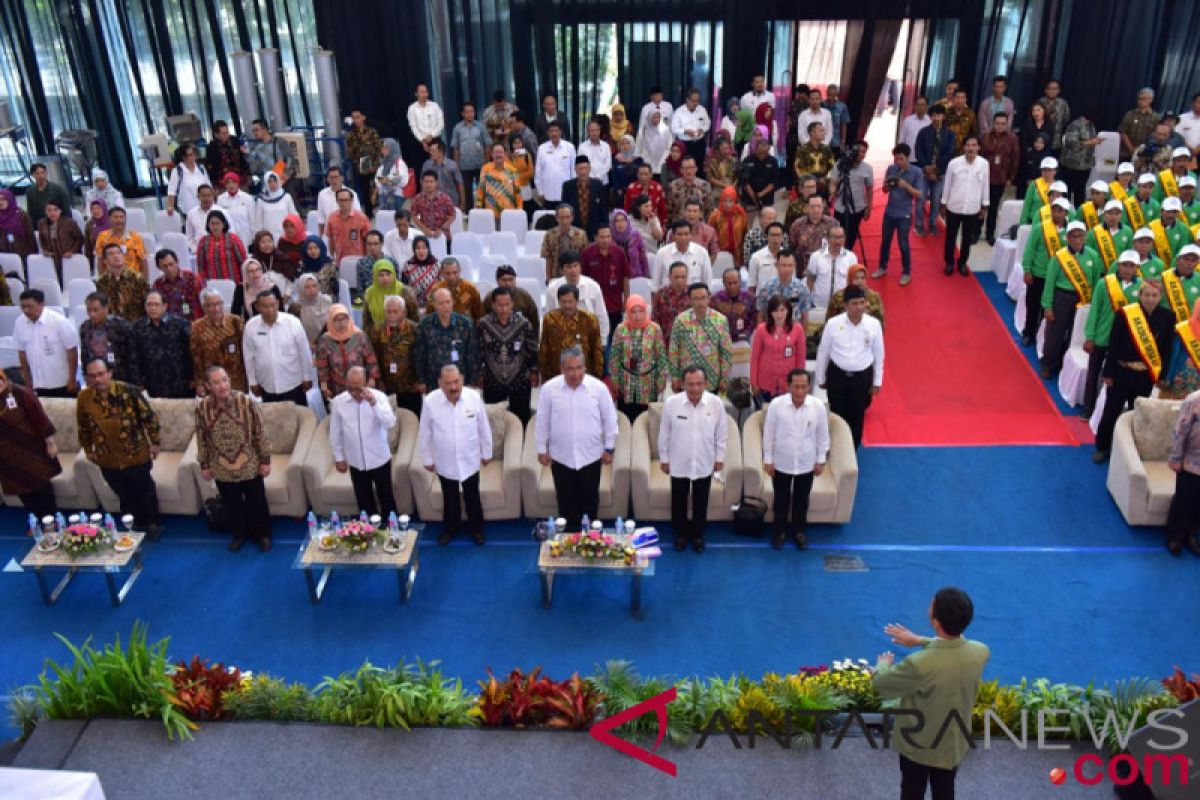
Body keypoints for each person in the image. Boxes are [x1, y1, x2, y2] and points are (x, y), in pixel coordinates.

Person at [872, 587, 990, 800]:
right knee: (945, 789)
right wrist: (920, 640)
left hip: (918, 745)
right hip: (952, 743)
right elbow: (950, 648)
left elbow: (883, 684)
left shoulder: (919, 664)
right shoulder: (980, 651)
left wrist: (881, 666)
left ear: (936, 621)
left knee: (912, 791)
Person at [77, 357, 163, 539]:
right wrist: (88, 449)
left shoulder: (129, 391)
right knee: (124, 494)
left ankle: (152, 523)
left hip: (136, 453)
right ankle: (134, 523)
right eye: (92, 376)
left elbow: (149, 417)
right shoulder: (84, 398)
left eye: (101, 374)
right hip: (107, 457)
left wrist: (155, 442)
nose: (98, 380)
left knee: (144, 490)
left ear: (109, 373)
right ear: (87, 378)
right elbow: (83, 426)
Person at [535, 347, 618, 529]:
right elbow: (542, 421)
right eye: (570, 368)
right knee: (565, 505)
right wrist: (542, 449)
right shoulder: (549, 389)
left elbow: (610, 420)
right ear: (561, 368)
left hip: (591, 457)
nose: (575, 373)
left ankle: (590, 543)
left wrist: (609, 448)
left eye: (579, 367)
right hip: (561, 458)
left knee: (590, 504)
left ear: (585, 368)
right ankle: (568, 546)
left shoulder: (599, 388)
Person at [1095, 281, 1176, 463]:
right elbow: (1113, 344)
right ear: (1139, 295)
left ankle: (1129, 451)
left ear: (1160, 297)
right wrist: (1108, 373)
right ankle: (1102, 446)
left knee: (1138, 413)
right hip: (1121, 370)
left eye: (1154, 295)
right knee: (1111, 410)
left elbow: (1166, 349)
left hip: (1145, 375)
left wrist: (1162, 375)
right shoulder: (1125, 313)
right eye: (1146, 295)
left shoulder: (1168, 316)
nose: (1150, 299)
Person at [195, 365, 272, 552]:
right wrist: (204, 464)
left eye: (225, 380)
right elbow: (201, 437)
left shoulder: (246, 402)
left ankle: (263, 535)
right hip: (221, 466)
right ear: (207, 386)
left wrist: (265, 460)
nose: (222, 386)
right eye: (216, 382)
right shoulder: (202, 408)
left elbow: (260, 432)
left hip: (249, 464)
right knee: (232, 504)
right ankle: (239, 534)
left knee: (257, 502)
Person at [658, 365, 727, 554]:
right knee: (678, 500)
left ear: (705, 384)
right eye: (690, 384)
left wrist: (719, 458)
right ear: (682, 384)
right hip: (679, 461)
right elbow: (664, 433)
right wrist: (664, 458)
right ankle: (680, 535)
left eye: (699, 384)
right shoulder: (672, 404)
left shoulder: (715, 404)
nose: (695, 388)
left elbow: (721, 433)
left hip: (704, 461)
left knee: (700, 500)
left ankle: (697, 535)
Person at [419, 363, 491, 545]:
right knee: (449, 497)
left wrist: (487, 451)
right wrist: (427, 458)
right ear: (440, 383)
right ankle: (451, 528)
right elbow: (425, 432)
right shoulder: (430, 402)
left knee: (472, 495)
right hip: (445, 460)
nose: (453, 387)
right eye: (448, 383)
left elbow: (484, 427)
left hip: (470, 458)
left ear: (462, 380)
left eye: (456, 382)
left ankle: (477, 529)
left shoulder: (474, 397)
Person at [761, 368, 829, 550]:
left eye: (804, 387)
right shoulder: (776, 405)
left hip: (806, 463)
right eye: (796, 387)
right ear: (788, 386)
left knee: (802, 500)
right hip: (781, 462)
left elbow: (823, 435)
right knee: (780, 500)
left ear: (809, 387)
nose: (800, 391)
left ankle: (799, 532)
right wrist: (768, 459)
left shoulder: (817, 407)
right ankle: (780, 532)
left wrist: (820, 460)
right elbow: (768, 434)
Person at [817, 286, 884, 448]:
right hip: (837, 376)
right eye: (854, 303)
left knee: (857, 416)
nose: (859, 307)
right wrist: (820, 377)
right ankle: (835, 449)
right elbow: (823, 351)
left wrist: (877, 382)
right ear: (846, 305)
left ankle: (852, 451)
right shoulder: (833, 324)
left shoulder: (874, 324)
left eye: (862, 303)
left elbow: (879, 353)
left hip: (861, 378)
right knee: (837, 415)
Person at [329, 365, 398, 520]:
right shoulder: (339, 402)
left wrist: (374, 404)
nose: (354, 393)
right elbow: (335, 432)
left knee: (387, 499)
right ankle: (369, 534)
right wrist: (338, 457)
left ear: (368, 383)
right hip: (356, 461)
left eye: (358, 389)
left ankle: (393, 533)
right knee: (364, 504)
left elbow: (390, 423)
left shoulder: (379, 398)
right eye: (350, 388)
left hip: (379, 458)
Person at [1083, 252, 1143, 416]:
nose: (1127, 269)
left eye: (1132, 266)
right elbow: (1094, 310)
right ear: (1118, 265)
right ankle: (1088, 406)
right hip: (1102, 336)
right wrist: (1090, 336)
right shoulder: (1104, 284)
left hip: (1124, 342)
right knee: (1094, 372)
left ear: (1137, 268)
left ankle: (1107, 410)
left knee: (1115, 376)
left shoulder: (1142, 287)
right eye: (1124, 265)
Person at [1040, 221, 1103, 378]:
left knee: (1076, 333)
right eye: (1073, 237)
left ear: (1085, 237)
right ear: (1067, 238)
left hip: (1083, 299)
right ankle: (1048, 363)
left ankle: (1065, 364)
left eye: (1080, 236)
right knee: (1055, 332)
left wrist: (1094, 303)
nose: (1077, 240)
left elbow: (1096, 281)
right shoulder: (1059, 257)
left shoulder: (1093, 256)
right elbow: (1050, 283)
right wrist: (1047, 306)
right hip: (1062, 296)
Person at [0, 369, 61, 518]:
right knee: (20, 488)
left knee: (41, 486)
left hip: (32, 450)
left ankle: (50, 520)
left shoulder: (20, 393)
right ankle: (35, 519)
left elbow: (40, 418)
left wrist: (50, 443)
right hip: (7, 457)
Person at [476, 286, 538, 425]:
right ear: (493, 305)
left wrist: (534, 370)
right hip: (492, 379)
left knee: (521, 417)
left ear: (512, 304)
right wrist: (479, 374)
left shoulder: (523, 323)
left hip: (520, 379)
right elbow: (478, 351)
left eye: (507, 305)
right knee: (494, 418)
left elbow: (532, 349)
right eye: (500, 305)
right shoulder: (483, 324)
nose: (503, 309)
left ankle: (519, 445)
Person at [243, 291, 313, 405]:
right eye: (265, 306)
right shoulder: (250, 326)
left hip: (294, 385)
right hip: (267, 387)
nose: (270, 310)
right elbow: (249, 357)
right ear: (257, 307)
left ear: (278, 303)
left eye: (272, 305)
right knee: (274, 421)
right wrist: (252, 381)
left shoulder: (293, 323)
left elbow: (304, 352)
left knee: (299, 419)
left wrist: (307, 377)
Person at [609, 295, 668, 421]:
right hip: (626, 382)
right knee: (626, 418)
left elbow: (661, 357)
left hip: (648, 382)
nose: (637, 315)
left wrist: (662, 380)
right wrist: (614, 380)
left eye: (640, 311)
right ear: (627, 312)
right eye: (633, 311)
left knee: (645, 419)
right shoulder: (621, 329)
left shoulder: (654, 329)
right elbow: (614, 357)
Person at [872, 144, 925, 285]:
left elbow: (920, 194)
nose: (898, 162)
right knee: (885, 241)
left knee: (903, 244)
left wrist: (906, 186)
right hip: (889, 212)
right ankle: (882, 267)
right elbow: (884, 190)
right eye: (896, 159)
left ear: (908, 158)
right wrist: (887, 186)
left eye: (901, 159)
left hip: (905, 214)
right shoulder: (891, 169)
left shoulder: (917, 172)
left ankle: (906, 272)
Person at [1021, 198, 1071, 345]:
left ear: (1066, 213)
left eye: (1060, 210)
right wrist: (1027, 270)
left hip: (1058, 278)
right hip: (1038, 274)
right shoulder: (1040, 228)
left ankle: (1042, 336)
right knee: (1032, 306)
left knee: (1048, 310)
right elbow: (1030, 249)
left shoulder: (1071, 233)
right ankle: (1028, 332)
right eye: (1054, 210)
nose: (1056, 213)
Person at [669, 282, 733, 394]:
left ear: (709, 298)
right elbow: (673, 350)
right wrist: (674, 377)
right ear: (690, 300)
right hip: (687, 381)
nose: (700, 302)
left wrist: (724, 377)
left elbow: (726, 351)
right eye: (696, 299)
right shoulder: (680, 321)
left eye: (703, 298)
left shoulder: (720, 320)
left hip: (712, 379)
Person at [940, 136, 990, 276]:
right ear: (964, 147)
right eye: (968, 145)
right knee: (950, 236)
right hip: (954, 206)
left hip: (972, 207)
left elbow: (985, 185)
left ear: (979, 148)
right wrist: (943, 203)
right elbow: (947, 184)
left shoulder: (984, 164)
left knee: (967, 238)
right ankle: (949, 262)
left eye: (974, 145)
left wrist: (984, 205)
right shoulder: (954, 163)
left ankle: (962, 263)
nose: (971, 148)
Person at [15, 290, 79, 398]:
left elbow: (72, 350)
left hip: (61, 382)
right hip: (37, 383)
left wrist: (72, 379)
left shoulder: (58, 321)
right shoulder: (19, 322)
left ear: (42, 304)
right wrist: (27, 380)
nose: (26, 310)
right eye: (23, 307)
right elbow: (22, 352)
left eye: (30, 306)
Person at [130, 291, 192, 398]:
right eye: (149, 304)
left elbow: (190, 353)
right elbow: (134, 357)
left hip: (179, 383)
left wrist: (193, 378)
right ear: (145, 307)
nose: (152, 308)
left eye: (156, 304)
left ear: (165, 306)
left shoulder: (180, 325)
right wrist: (138, 382)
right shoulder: (137, 327)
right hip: (152, 384)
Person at [415, 286, 478, 388]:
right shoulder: (424, 325)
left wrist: (472, 380)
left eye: (448, 302)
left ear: (453, 302)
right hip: (434, 380)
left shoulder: (465, 323)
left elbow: (472, 353)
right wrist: (421, 380)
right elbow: (419, 354)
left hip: (460, 380)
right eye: (441, 303)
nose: (445, 306)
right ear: (434, 305)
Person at [370, 295, 422, 418]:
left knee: (412, 421)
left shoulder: (414, 329)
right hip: (386, 387)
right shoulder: (377, 330)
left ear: (403, 312)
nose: (392, 315)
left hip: (411, 387)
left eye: (395, 311)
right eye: (388, 311)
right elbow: (373, 357)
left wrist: (420, 381)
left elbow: (421, 356)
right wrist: (378, 382)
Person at [315, 304, 379, 402]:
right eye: (336, 319)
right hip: (336, 387)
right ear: (330, 321)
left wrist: (372, 378)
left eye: (344, 319)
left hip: (360, 384)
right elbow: (322, 364)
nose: (341, 323)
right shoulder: (325, 340)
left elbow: (370, 358)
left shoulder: (360, 336)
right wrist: (324, 386)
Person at [750, 295, 806, 404]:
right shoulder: (761, 329)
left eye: (782, 310)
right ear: (770, 312)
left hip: (788, 385)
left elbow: (801, 359)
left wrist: (799, 383)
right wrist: (753, 382)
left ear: (788, 311)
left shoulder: (798, 329)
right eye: (775, 311)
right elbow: (754, 358)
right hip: (764, 383)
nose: (779, 314)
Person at [541, 283, 604, 379]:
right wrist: (544, 374)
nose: (567, 306)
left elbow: (596, 349)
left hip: (583, 375)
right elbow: (544, 348)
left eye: (570, 302)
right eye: (563, 302)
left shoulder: (589, 320)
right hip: (557, 375)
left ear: (577, 301)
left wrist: (598, 375)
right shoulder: (550, 319)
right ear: (558, 302)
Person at [191, 289, 247, 394]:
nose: (216, 309)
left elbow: (246, 351)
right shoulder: (196, 327)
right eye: (210, 305)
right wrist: (199, 383)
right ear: (203, 307)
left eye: (219, 304)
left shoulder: (236, 322)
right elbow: (196, 359)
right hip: (212, 383)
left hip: (236, 381)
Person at [1166, 385, 1200, 555]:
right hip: (1189, 462)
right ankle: (1174, 537)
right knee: (1183, 500)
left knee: (1198, 504)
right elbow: (1180, 431)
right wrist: (1176, 458)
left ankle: (1191, 535)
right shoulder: (1193, 400)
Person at [913, 104, 957, 236]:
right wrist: (926, 167)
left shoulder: (950, 134)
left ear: (943, 116)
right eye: (933, 115)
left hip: (940, 173)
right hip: (924, 172)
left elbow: (950, 153)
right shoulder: (923, 132)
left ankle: (932, 224)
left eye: (939, 115)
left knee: (936, 200)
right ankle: (919, 224)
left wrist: (936, 170)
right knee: (920, 199)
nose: (936, 118)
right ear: (930, 117)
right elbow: (918, 150)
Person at [580, 225, 631, 339]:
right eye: (602, 237)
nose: (605, 240)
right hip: (593, 304)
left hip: (614, 304)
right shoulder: (587, 253)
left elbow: (625, 277)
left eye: (608, 237)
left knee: (614, 337)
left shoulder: (619, 253)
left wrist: (626, 300)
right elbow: (582, 278)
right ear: (595, 237)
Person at [979, 113, 1019, 245]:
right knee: (980, 206)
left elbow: (1015, 159)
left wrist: (1010, 177)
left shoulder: (1012, 139)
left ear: (1007, 124)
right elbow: (978, 157)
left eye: (1003, 123)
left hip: (1000, 178)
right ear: (993, 123)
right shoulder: (985, 137)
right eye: (997, 123)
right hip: (983, 178)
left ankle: (990, 234)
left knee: (994, 208)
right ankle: (976, 232)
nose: (1000, 126)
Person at [80, 290, 135, 383]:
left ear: (106, 308)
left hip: (119, 377)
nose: (92, 314)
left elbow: (132, 356)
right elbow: (85, 356)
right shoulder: (85, 328)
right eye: (89, 310)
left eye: (95, 310)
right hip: (95, 378)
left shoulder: (121, 327)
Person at [830, 141, 873, 251]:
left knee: (852, 234)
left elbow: (869, 189)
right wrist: (832, 192)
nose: (861, 154)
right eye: (858, 151)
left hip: (858, 208)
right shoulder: (840, 165)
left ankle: (848, 253)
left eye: (864, 152)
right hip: (840, 207)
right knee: (838, 233)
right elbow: (833, 182)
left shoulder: (868, 168)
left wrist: (868, 207)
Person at [246, 119, 300, 202]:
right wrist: (247, 154)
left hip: (283, 179)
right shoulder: (255, 147)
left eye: (256, 130)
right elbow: (253, 166)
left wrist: (287, 173)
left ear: (264, 129)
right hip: (268, 181)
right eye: (253, 131)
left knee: (290, 203)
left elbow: (290, 158)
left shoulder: (279, 141)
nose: (254, 133)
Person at [483, 264, 540, 339]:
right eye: (504, 280)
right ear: (497, 281)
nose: (508, 283)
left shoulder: (525, 296)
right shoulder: (490, 298)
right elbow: (483, 322)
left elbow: (534, 322)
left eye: (511, 279)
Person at [362, 259, 418, 335]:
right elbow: (366, 320)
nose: (385, 278)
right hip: (378, 336)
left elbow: (414, 316)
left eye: (388, 274)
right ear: (375, 276)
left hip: (404, 335)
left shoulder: (405, 291)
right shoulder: (369, 293)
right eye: (381, 275)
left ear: (394, 274)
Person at [95, 242, 149, 322]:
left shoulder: (137, 278)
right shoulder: (101, 282)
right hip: (112, 326)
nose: (116, 256)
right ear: (105, 261)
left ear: (123, 257)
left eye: (119, 253)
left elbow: (147, 301)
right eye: (111, 254)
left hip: (135, 324)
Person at [451, 102, 490, 208]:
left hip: (480, 164)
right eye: (467, 112)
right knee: (467, 192)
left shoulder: (481, 127)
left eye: (472, 111)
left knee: (482, 191)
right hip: (464, 166)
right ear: (462, 113)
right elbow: (456, 148)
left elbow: (487, 145)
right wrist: (456, 166)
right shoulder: (457, 128)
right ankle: (470, 214)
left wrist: (487, 163)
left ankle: (483, 214)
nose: (470, 114)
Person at [1060, 111, 1103, 206]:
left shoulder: (1091, 125)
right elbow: (1071, 143)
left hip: (1085, 165)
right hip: (1072, 165)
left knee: (1080, 192)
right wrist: (1092, 142)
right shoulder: (1075, 125)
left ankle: (1079, 213)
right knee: (1068, 191)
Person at [787, 195, 837, 275]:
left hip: (826, 269)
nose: (815, 209)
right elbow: (792, 246)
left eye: (818, 206)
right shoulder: (797, 225)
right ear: (807, 208)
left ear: (823, 207)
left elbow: (837, 245)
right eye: (812, 206)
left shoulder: (833, 224)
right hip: (803, 269)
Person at [35, 201, 85, 281]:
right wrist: (45, 250)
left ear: (60, 211)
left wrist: (72, 251)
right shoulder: (42, 223)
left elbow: (80, 239)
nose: (52, 213)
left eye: (55, 210)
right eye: (49, 210)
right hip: (52, 260)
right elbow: (42, 239)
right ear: (45, 211)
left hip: (69, 259)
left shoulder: (69, 222)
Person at [561, 155, 608, 239]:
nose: (583, 172)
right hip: (574, 232)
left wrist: (604, 229)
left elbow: (603, 210)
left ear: (589, 169)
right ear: (575, 170)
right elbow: (564, 209)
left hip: (594, 232)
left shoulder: (598, 184)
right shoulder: (568, 186)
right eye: (580, 169)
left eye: (585, 168)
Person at [344, 109, 382, 215]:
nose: (356, 120)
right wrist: (359, 161)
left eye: (357, 117)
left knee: (377, 186)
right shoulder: (351, 134)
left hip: (374, 162)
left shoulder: (371, 131)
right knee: (365, 190)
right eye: (354, 118)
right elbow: (350, 151)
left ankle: (380, 208)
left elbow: (378, 147)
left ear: (363, 117)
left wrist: (375, 164)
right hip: (361, 163)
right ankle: (369, 213)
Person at [424, 257, 484, 321]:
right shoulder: (436, 290)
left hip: (465, 327)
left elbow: (480, 315)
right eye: (448, 273)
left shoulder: (470, 289)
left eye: (455, 272)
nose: (452, 277)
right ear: (442, 273)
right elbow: (429, 316)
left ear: (460, 271)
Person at [655, 221, 712, 288]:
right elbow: (656, 282)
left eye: (686, 234)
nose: (683, 238)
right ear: (673, 236)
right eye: (679, 234)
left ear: (691, 235)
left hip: (693, 296)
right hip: (668, 296)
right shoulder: (662, 253)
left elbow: (707, 281)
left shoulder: (702, 252)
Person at [540, 204, 589, 282]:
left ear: (572, 218)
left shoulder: (581, 234)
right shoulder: (549, 235)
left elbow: (584, 258)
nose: (565, 221)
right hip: (556, 276)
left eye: (567, 217)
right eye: (561, 217)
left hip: (575, 277)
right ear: (556, 218)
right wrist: (549, 279)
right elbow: (548, 259)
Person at [93, 206, 147, 277]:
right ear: (109, 219)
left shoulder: (135, 237)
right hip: (111, 280)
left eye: (122, 217)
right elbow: (100, 261)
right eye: (115, 217)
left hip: (133, 280)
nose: (119, 220)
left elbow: (143, 260)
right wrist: (102, 280)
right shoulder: (102, 237)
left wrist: (145, 282)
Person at [196, 210, 248, 283]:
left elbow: (244, 262)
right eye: (212, 224)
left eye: (218, 223)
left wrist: (245, 281)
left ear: (223, 224)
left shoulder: (233, 239)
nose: (215, 227)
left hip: (234, 283)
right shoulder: (203, 241)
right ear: (208, 225)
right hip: (213, 284)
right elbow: (200, 266)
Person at [1085, 200, 1133, 275]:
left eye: (1117, 214)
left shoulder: (1128, 232)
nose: (1113, 217)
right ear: (1104, 214)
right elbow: (1089, 255)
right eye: (1110, 213)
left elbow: (1129, 253)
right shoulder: (1093, 232)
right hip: (1099, 274)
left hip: (1120, 274)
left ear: (1121, 215)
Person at [534, 122, 576, 207]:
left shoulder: (569, 147)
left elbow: (574, 170)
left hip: (566, 193)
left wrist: (573, 190)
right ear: (547, 133)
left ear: (561, 132)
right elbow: (538, 172)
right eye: (551, 131)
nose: (554, 133)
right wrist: (540, 192)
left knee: (565, 218)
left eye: (556, 131)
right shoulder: (542, 148)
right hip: (548, 193)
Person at [476, 143, 523, 219]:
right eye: (496, 152)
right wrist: (478, 208)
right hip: (490, 215)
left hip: (508, 215)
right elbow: (480, 191)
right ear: (492, 154)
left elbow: (518, 192)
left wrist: (520, 209)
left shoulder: (511, 170)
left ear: (505, 154)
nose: (498, 155)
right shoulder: (485, 169)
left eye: (500, 152)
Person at [325, 188, 371, 264]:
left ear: (351, 200)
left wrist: (367, 259)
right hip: (340, 260)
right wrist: (332, 256)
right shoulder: (331, 218)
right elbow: (331, 239)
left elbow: (368, 240)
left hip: (359, 260)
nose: (343, 203)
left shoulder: (361, 218)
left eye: (346, 200)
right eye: (340, 200)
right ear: (337, 201)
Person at [738, 137, 779, 223]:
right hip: (749, 197)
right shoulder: (747, 160)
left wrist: (761, 194)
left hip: (767, 198)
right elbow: (744, 182)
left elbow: (774, 182)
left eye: (765, 152)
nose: (762, 155)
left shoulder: (773, 161)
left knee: (768, 224)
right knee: (747, 224)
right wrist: (754, 197)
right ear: (756, 149)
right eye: (760, 152)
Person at [1018, 103, 1054, 199]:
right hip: (1028, 156)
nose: (1035, 113)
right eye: (1033, 111)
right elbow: (1023, 139)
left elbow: (1050, 140)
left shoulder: (1049, 124)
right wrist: (1030, 150)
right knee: (1023, 183)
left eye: (1038, 110)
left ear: (1044, 111)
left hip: (1043, 157)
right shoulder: (1027, 123)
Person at [165, 143, 210, 219]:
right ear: (184, 157)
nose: (194, 156)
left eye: (194, 154)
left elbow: (208, 185)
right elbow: (171, 191)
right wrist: (170, 206)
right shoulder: (177, 171)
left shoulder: (201, 168)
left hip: (204, 207)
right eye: (190, 154)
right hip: (187, 209)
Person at [231, 257, 284, 322]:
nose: (255, 274)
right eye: (251, 271)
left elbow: (282, 312)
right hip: (250, 326)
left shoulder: (272, 288)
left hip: (272, 324)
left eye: (258, 269)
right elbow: (235, 313)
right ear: (245, 273)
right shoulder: (241, 288)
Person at [410, 171, 457, 243]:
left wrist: (442, 228)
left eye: (431, 181)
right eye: (426, 181)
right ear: (422, 182)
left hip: (443, 235)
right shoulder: (418, 199)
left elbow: (453, 214)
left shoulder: (444, 198)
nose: (428, 184)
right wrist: (424, 229)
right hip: (426, 236)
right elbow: (413, 215)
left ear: (436, 183)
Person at [670, 88, 711, 168]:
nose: (696, 103)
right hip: (685, 145)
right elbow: (674, 128)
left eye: (698, 100)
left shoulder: (702, 109)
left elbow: (708, 123)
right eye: (693, 100)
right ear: (687, 100)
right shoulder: (679, 111)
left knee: (699, 167)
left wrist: (702, 130)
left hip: (699, 143)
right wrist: (685, 131)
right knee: (686, 167)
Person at [713, 267, 755, 344]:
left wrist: (746, 333)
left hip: (743, 339)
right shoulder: (715, 299)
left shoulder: (750, 298)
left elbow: (753, 319)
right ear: (723, 283)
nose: (732, 286)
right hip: (721, 339)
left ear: (740, 282)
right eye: (729, 283)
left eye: (735, 283)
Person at [652, 261, 692, 342]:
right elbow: (654, 320)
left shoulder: (694, 294)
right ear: (669, 277)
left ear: (687, 277)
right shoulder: (660, 295)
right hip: (666, 342)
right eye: (676, 277)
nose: (680, 280)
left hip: (689, 342)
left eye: (683, 277)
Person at [315, 166, 362, 234]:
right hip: (329, 232)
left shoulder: (351, 193)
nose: (334, 180)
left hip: (347, 231)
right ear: (327, 179)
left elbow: (357, 215)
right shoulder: (322, 194)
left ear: (341, 178)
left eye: (336, 177)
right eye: (331, 177)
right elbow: (321, 219)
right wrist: (320, 237)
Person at [421, 139, 466, 210]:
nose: (430, 153)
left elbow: (460, 184)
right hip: (432, 203)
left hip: (451, 202)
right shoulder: (427, 165)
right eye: (430, 150)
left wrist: (462, 204)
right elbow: (423, 183)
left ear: (441, 152)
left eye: (433, 151)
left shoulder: (452, 165)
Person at [1118, 88, 1161, 161]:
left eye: (1143, 99)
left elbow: (1156, 135)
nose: (1140, 101)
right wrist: (1131, 149)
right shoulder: (1130, 114)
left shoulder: (1156, 117)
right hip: (1126, 153)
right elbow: (1123, 132)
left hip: (1145, 155)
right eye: (1139, 99)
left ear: (1150, 100)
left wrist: (1142, 150)